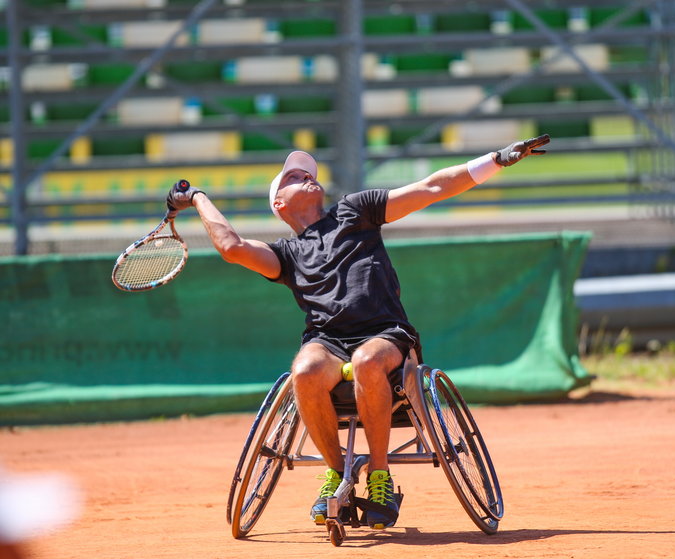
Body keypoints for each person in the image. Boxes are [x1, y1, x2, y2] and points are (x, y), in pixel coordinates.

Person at [166, 134, 550, 529]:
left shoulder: (355, 211)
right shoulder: (285, 255)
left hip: (386, 333)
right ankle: (337, 474)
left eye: (307, 172)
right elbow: (230, 247)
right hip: (328, 343)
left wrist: (496, 159)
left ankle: (379, 476)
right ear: (279, 204)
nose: (306, 176)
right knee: (304, 371)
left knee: (367, 361)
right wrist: (196, 196)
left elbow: (432, 187)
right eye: (294, 176)